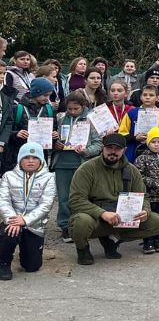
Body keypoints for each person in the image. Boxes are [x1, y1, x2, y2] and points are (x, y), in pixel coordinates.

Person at [68, 134, 159, 264]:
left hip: (122, 217)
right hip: (95, 217)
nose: (113, 152)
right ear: (102, 148)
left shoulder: (132, 170)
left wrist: (145, 210)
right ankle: (83, 248)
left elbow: (143, 196)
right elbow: (76, 200)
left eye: (117, 149)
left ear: (124, 150)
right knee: (81, 222)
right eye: (109, 148)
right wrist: (102, 213)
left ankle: (113, 239)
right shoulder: (87, 169)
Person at [0, 142, 57, 280]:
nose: (31, 161)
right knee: (9, 233)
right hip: (12, 221)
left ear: (41, 160)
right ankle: (4, 263)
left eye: (35, 157)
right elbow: (3, 200)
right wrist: (13, 219)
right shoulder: (8, 176)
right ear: (20, 159)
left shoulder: (49, 177)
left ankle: (26, 253)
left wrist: (25, 220)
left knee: (32, 267)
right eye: (26, 157)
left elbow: (46, 204)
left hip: (34, 225)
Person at [52, 92, 103, 241]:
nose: (73, 112)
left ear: (83, 106)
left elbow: (99, 143)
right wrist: (57, 144)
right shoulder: (61, 118)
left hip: (83, 163)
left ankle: (84, 225)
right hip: (62, 163)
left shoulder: (92, 119)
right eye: (70, 109)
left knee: (84, 197)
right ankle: (65, 227)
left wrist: (86, 151)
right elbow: (51, 140)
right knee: (64, 197)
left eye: (76, 109)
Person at [134, 128, 159, 254]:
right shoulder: (142, 158)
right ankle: (147, 241)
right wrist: (154, 183)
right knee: (147, 219)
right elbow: (139, 177)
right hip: (148, 196)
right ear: (148, 143)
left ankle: (157, 240)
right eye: (153, 142)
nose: (156, 145)